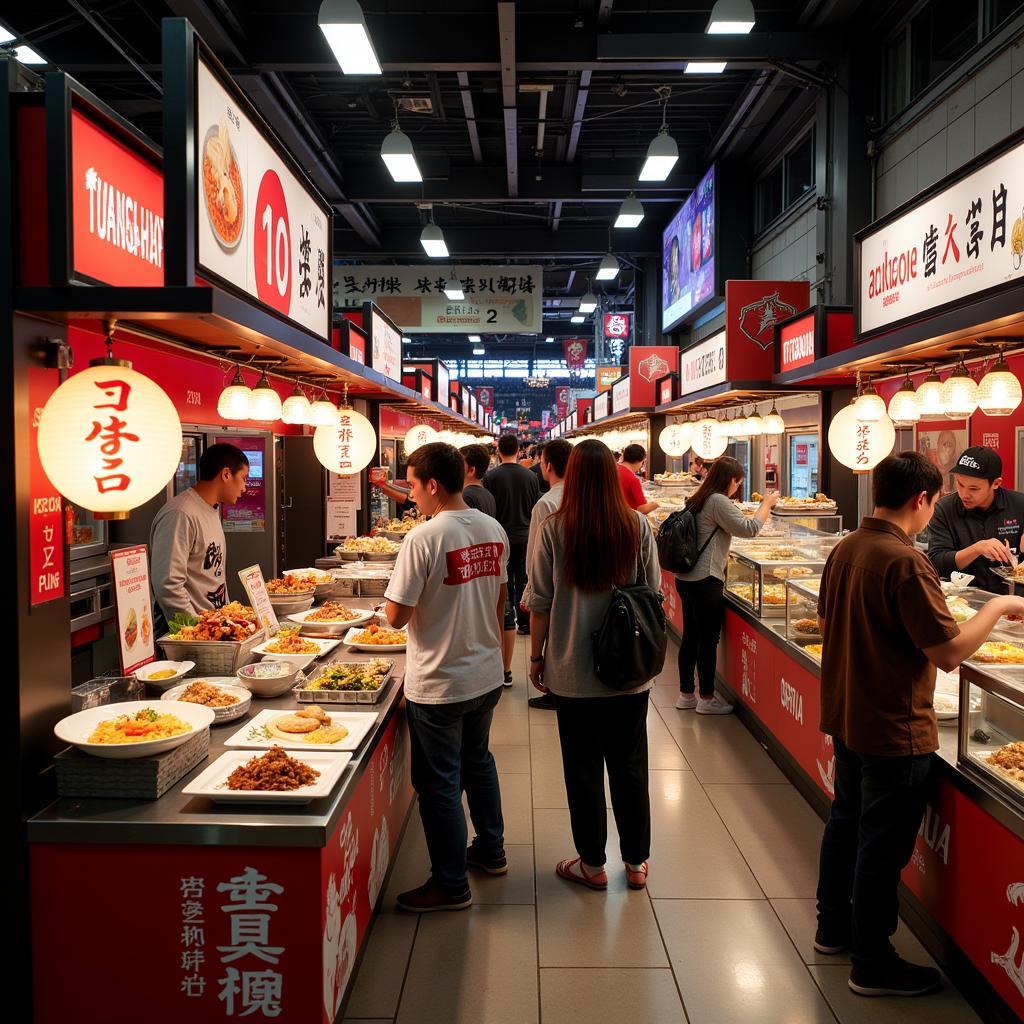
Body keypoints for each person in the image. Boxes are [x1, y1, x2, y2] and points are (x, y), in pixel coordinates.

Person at [816, 451, 1024, 996]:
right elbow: (950, 652)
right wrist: (998, 608)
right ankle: (872, 962)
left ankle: (832, 927)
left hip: (848, 715)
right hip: (893, 728)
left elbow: (825, 621)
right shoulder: (904, 561)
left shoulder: (848, 547)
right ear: (921, 500)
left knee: (845, 823)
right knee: (881, 848)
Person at [528, 439, 661, 892]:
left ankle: (592, 863)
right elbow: (653, 592)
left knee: (581, 768)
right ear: (612, 476)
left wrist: (535, 655)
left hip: (570, 669)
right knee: (630, 765)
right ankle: (637, 862)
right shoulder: (638, 527)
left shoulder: (553, 527)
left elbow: (541, 601)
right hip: (628, 671)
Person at [384, 442, 510, 913]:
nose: (412, 495)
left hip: (440, 681)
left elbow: (396, 617)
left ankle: (451, 883)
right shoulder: (492, 528)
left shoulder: (425, 536)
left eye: (413, 486)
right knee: (478, 762)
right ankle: (492, 850)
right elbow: (499, 601)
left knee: (439, 783)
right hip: (484, 672)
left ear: (432, 485)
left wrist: (386, 609)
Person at [674, 457, 779, 714]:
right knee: (707, 640)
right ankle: (707, 699)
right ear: (730, 479)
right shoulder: (718, 500)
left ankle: (686, 694)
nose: (737, 487)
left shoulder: (700, 496)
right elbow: (750, 528)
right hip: (705, 578)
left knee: (690, 637)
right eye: (738, 482)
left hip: (686, 577)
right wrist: (766, 504)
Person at [150, 442, 249, 620]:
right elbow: (168, 585)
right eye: (244, 478)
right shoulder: (180, 514)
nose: (244, 487)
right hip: (190, 636)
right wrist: (196, 630)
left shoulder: (212, 508)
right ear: (226, 474)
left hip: (214, 627)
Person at [926, 446, 1024, 593]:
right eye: (960, 484)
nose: (964, 494)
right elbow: (936, 563)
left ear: (996, 483)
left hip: (1014, 599)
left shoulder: (1019, 504)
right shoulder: (944, 509)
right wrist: (977, 549)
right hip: (965, 601)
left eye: (973, 489)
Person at [521, 439, 571, 710]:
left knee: (552, 633)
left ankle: (554, 689)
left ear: (548, 465)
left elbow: (535, 554)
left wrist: (531, 586)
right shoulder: (582, 497)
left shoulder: (547, 503)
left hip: (550, 580)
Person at [463, 443, 515, 688]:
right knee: (503, 612)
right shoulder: (486, 493)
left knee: (497, 614)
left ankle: (497, 670)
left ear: (470, 469)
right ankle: (502, 670)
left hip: (475, 565)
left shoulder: (467, 496)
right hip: (491, 562)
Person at [485, 432, 540, 634]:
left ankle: (506, 619)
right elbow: (535, 506)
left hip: (500, 536)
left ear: (499, 451)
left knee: (503, 579)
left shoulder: (491, 477)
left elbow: (490, 508)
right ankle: (525, 623)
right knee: (523, 579)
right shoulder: (530, 476)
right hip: (525, 535)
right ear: (518, 451)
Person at [617, 444, 660, 515]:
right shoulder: (633, 479)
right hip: (623, 518)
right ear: (640, 460)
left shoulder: (613, 468)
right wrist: (658, 504)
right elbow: (643, 509)